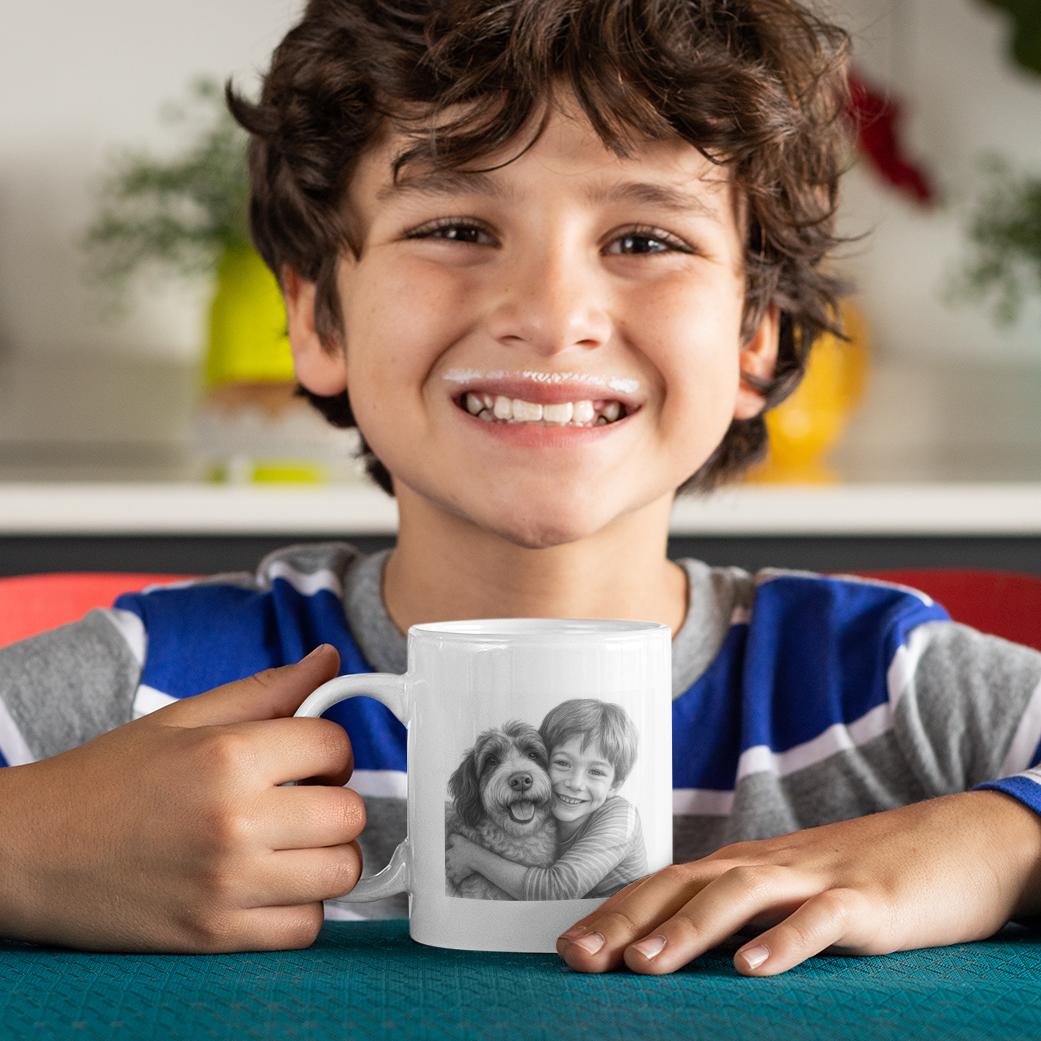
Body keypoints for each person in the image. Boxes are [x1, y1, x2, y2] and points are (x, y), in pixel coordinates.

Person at [2, 0, 1040, 977]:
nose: (551, 313)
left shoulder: (884, 685)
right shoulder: (154, 686)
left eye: (645, 239)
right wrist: (30, 845)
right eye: (455, 227)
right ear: (318, 321)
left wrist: (986, 842)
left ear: (754, 341)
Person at [446, 700, 648, 900]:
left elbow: (558, 890)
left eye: (595, 771)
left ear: (615, 784)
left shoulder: (621, 817)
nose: (575, 784)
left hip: (624, 923)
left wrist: (474, 858)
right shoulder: (551, 817)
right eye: (562, 763)